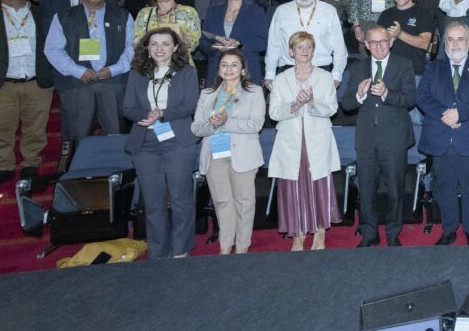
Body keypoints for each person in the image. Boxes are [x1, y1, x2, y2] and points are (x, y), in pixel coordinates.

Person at [123, 27, 199, 259]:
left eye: (165, 43)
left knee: (180, 198)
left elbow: (191, 104)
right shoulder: (137, 73)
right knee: (153, 202)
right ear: (147, 47)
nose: (159, 48)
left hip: (178, 141)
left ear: (175, 47)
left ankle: (180, 249)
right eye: (154, 43)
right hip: (145, 143)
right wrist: (145, 117)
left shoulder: (187, 72)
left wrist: (162, 114)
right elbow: (127, 108)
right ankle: (158, 252)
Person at [417, 21, 469, 245]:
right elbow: (422, 97)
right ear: (444, 43)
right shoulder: (433, 68)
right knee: (443, 187)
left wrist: (459, 114)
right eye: (450, 39)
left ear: (468, 43)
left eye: (460, 39)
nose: (454, 43)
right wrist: (446, 114)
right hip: (440, 136)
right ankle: (449, 229)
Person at [339, 25, 416, 248]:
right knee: (367, 188)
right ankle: (369, 233)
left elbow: (410, 99)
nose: (378, 46)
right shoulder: (359, 67)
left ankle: (393, 233)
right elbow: (346, 104)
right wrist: (359, 95)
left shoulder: (404, 64)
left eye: (383, 41)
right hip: (366, 138)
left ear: (391, 42)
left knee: (394, 189)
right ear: (366, 45)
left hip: (394, 138)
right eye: (373, 42)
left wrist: (387, 94)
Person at [268, 31, 342, 250]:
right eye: (299, 47)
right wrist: (294, 105)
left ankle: (320, 232)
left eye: (308, 47)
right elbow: (273, 113)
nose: (304, 51)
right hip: (290, 140)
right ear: (291, 52)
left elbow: (332, 108)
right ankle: (297, 234)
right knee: (292, 186)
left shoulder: (325, 77)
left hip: (317, 138)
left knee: (318, 184)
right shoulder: (280, 80)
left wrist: (311, 102)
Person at [0, 0, 54, 189]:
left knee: (36, 127)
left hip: (36, 81)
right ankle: (3, 167)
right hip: (1, 83)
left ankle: (30, 163)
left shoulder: (42, 14)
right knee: (2, 128)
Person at [190, 49, 265, 255]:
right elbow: (196, 128)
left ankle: (241, 248)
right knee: (222, 202)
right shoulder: (207, 93)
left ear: (242, 70)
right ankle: (225, 248)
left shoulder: (254, 91)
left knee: (244, 203)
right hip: (214, 153)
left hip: (243, 153)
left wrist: (227, 122)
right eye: (224, 64)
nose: (228, 68)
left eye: (234, 65)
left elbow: (256, 124)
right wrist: (212, 125)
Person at [45, 0, 134, 143]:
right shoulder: (63, 17)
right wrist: (79, 71)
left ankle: (115, 169)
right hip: (77, 83)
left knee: (116, 133)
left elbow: (133, 47)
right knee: (78, 134)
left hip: (113, 83)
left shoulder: (123, 16)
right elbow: (53, 49)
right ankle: (79, 168)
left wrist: (115, 69)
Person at [265, 0, 346, 87]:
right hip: (288, 69)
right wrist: (270, 74)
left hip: (320, 69)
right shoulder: (281, 11)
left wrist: (336, 75)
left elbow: (339, 47)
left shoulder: (329, 11)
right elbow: (273, 45)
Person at [200, 0, 268, 85]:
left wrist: (239, 44)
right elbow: (203, 41)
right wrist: (214, 47)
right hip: (217, 70)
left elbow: (264, 42)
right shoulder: (212, 11)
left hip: (246, 69)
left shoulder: (256, 12)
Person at [133, 0, 201, 60]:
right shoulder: (144, 13)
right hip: (150, 64)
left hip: (180, 64)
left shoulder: (188, 12)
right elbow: (137, 42)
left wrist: (184, 41)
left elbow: (194, 43)